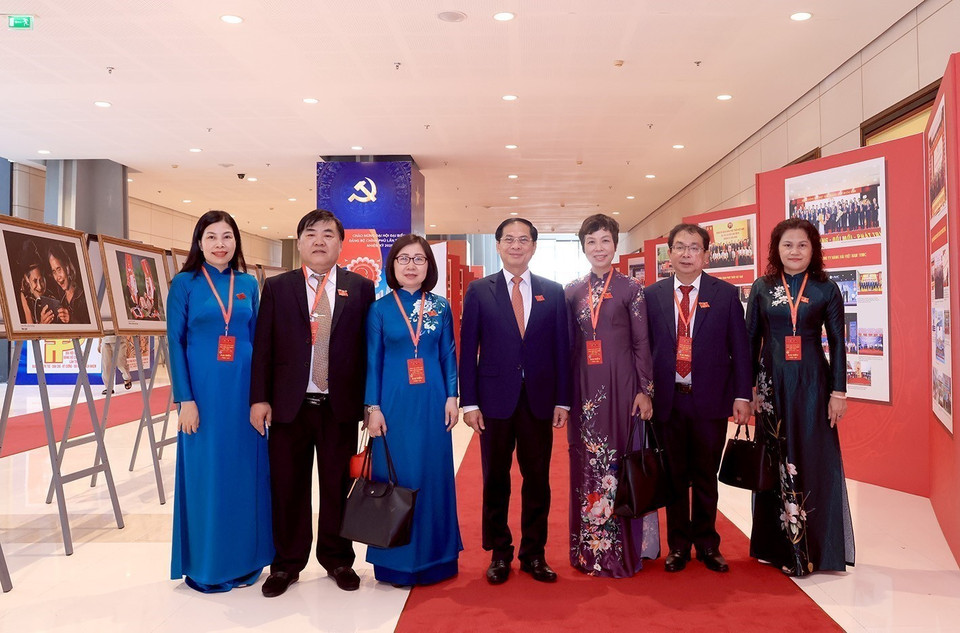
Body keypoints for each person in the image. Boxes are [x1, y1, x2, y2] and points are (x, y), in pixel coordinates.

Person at [250, 209, 375, 597]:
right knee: (288, 486)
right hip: (289, 406)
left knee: (338, 486)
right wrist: (259, 398)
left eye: (328, 234)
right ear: (300, 242)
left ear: (340, 243)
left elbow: (368, 351)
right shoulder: (278, 287)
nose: (319, 241)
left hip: (339, 406)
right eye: (311, 233)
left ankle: (338, 559)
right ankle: (286, 564)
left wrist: (369, 403)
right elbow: (263, 347)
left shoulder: (360, 287)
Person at [459, 217, 571, 585]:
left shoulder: (553, 292)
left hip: (539, 400)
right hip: (494, 401)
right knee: (495, 478)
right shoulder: (479, 290)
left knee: (537, 478)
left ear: (534, 246)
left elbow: (562, 349)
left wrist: (563, 400)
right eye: (509, 239)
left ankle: (534, 553)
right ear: (498, 245)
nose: (516, 245)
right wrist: (469, 402)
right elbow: (468, 349)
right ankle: (499, 552)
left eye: (524, 240)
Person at [167, 210, 273, 592]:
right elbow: (174, 343)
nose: (219, 244)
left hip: (244, 396)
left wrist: (261, 397)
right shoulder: (184, 284)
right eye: (211, 236)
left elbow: (260, 343)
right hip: (204, 397)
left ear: (236, 242)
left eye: (227, 236)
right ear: (199, 242)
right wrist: (185, 399)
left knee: (244, 476)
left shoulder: (247, 283)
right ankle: (208, 566)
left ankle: (245, 562)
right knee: (207, 477)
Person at [746, 218, 855, 577]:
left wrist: (838, 392)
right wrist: (749, 390)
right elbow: (750, 341)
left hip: (813, 385)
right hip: (771, 385)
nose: (795, 251)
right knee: (774, 459)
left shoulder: (826, 289)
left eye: (802, 245)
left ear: (814, 249)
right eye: (787, 245)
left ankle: (816, 550)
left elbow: (838, 343)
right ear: (776, 249)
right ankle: (775, 546)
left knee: (814, 458)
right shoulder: (762, 287)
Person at [645, 223, 752, 574]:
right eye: (679, 247)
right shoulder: (652, 295)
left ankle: (707, 543)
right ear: (669, 254)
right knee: (674, 476)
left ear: (706, 255)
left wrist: (742, 394)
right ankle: (678, 546)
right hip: (668, 400)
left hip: (709, 400)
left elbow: (740, 349)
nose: (686, 254)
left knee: (706, 475)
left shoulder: (726, 294)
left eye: (694, 247)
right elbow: (643, 350)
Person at [564, 214, 659, 577]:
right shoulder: (572, 291)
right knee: (586, 463)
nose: (598, 248)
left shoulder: (631, 289)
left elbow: (641, 343)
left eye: (605, 240)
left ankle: (624, 550)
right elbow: (568, 347)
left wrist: (645, 391)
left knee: (621, 460)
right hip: (584, 390)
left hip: (623, 388)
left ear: (615, 245)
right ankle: (590, 550)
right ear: (583, 247)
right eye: (591, 241)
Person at [364, 234, 462, 586]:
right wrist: (373, 407)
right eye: (403, 259)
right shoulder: (379, 309)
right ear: (392, 265)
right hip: (392, 406)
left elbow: (448, 353)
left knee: (432, 476)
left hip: (433, 403)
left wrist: (452, 396)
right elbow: (372, 362)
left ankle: (437, 559)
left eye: (418, 259)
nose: (410, 266)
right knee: (396, 477)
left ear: (428, 266)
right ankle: (394, 562)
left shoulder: (440, 306)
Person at [18, 241, 58, 325]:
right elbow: (30, 327)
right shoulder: (24, 296)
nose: (40, 287)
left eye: (42, 280)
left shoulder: (53, 291)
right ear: (27, 279)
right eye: (35, 281)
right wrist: (42, 324)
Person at [48, 244, 89, 325]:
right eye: (54, 272)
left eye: (59, 269)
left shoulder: (84, 297)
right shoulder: (61, 300)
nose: (57, 277)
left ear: (67, 268)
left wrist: (71, 319)